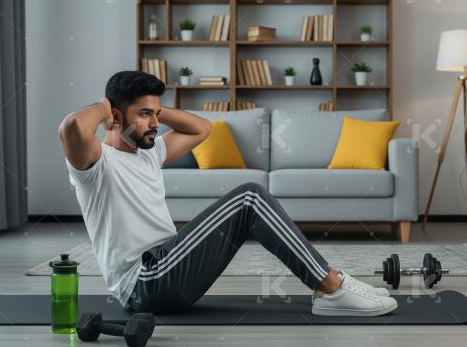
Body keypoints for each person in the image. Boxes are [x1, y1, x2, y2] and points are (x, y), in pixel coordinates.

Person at [58, 70, 398, 316]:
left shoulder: (149, 153)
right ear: (114, 117)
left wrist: (151, 109)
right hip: (145, 282)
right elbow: (72, 127)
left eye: (156, 114)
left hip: (168, 268)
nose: (155, 123)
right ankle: (332, 286)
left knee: (250, 199)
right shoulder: (96, 165)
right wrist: (106, 106)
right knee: (250, 197)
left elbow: (201, 127)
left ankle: (330, 285)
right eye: (144, 115)